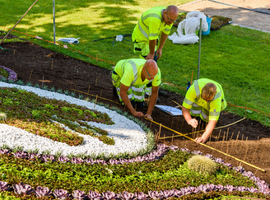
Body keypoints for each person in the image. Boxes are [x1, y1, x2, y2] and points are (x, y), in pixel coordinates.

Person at [182, 78, 227, 144]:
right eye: (204, 98)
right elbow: (185, 108)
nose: (206, 101)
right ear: (202, 89)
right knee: (194, 112)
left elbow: (212, 121)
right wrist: (189, 120)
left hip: (210, 106)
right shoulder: (194, 89)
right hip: (198, 101)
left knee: (206, 117)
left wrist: (203, 138)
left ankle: (202, 123)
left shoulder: (217, 98)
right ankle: (195, 119)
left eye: (208, 100)